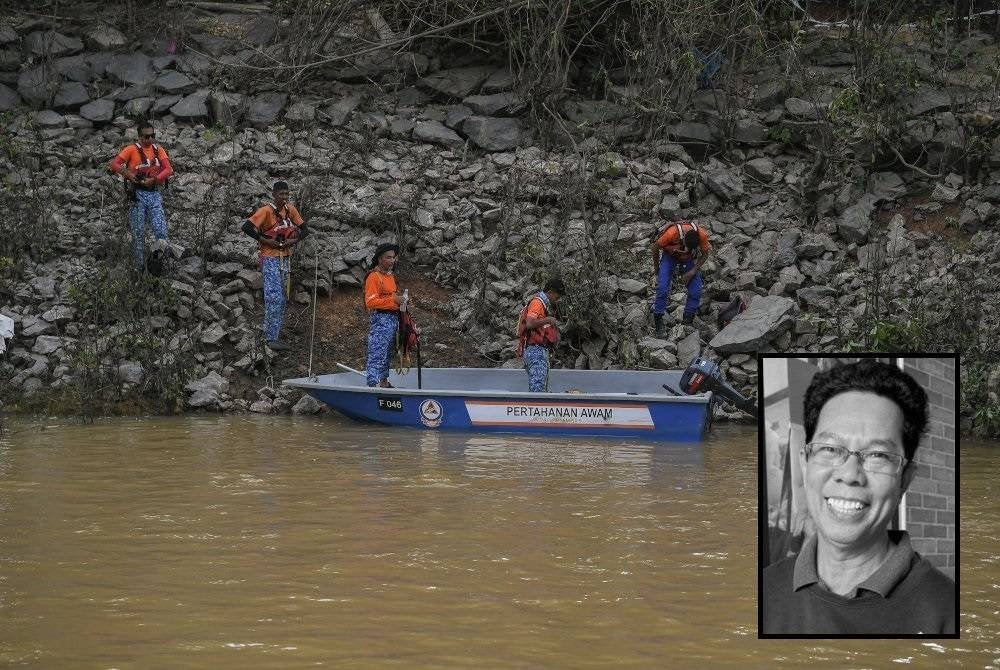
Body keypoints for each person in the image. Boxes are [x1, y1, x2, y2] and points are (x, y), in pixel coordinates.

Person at [761, 359, 956, 635]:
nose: (850, 474)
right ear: (805, 463)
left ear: (905, 480)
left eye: (878, 455)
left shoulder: (948, 614)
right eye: (830, 448)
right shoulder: (764, 590)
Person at [241, 181, 308, 351]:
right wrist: (265, 240)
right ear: (274, 194)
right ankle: (269, 338)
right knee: (273, 297)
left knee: (282, 297)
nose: (284, 197)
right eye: (281, 194)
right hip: (269, 257)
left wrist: (292, 241)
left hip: (285, 258)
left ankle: (274, 334)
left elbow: (304, 230)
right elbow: (247, 227)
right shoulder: (265, 211)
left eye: (286, 194)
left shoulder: (290, 210)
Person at [108, 119, 174, 268]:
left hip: (154, 194)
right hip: (137, 195)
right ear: (139, 137)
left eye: (152, 135)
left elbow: (168, 169)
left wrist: (154, 179)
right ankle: (139, 267)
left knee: (161, 232)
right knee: (138, 234)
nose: (149, 139)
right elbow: (114, 164)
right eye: (146, 136)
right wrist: (130, 175)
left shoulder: (158, 149)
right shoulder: (131, 149)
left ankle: (155, 264)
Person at [651, 219, 711, 336]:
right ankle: (658, 320)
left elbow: (705, 253)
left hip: (688, 259)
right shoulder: (671, 233)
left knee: (696, 290)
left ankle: (687, 320)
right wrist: (657, 268)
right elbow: (655, 248)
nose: (686, 249)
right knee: (662, 288)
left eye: (690, 248)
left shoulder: (702, 235)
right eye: (686, 246)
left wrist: (692, 271)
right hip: (670, 256)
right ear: (683, 239)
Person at [364, 242, 406, 388]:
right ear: (380, 259)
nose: (392, 260)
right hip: (380, 319)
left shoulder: (390, 277)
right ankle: (372, 385)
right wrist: (394, 300)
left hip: (393, 319)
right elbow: (370, 302)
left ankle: (384, 382)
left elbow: (390, 298)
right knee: (377, 351)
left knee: (388, 352)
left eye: (393, 257)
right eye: (388, 257)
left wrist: (401, 301)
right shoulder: (373, 277)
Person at [517, 278, 565, 393]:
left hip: (539, 350)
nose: (558, 299)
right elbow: (529, 324)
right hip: (535, 351)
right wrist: (547, 320)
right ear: (550, 292)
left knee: (540, 386)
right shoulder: (537, 303)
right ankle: (534, 408)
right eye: (557, 296)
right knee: (537, 388)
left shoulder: (544, 305)